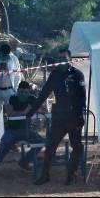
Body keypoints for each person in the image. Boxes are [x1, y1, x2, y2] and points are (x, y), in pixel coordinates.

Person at [26, 48, 86, 186]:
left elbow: (82, 98)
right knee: (51, 146)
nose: (61, 62)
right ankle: (44, 175)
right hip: (59, 117)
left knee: (76, 147)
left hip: (74, 117)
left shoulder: (77, 75)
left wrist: (81, 115)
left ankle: (71, 175)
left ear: (70, 59)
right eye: (59, 59)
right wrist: (31, 111)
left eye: (64, 58)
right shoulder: (55, 74)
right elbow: (43, 94)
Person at [0, 81, 44, 178]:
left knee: (40, 141)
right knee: (2, 148)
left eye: (26, 92)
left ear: (29, 92)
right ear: (17, 91)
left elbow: (43, 109)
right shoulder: (12, 99)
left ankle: (24, 162)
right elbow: (10, 113)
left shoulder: (32, 99)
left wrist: (35, 108)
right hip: (11, 130)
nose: (23, 94)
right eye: (21, 91)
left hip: (26, 130)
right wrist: (26, 111)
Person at [0, 40, 22, 152]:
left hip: (8, 92)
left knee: (12, 117)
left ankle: (12, 143)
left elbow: (17, 76)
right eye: (2, 54)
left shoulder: (14, 59)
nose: (3, 56)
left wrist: (15, 90)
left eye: (5, 54)